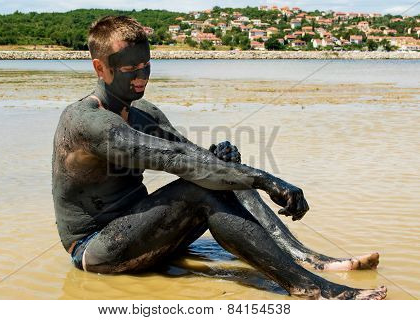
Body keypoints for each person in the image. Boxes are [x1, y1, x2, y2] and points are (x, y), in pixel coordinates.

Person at [52, 15, 386, 299]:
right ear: (100, 67)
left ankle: (311, 259)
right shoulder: (86, 121)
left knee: (226, 173)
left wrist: (221, 158)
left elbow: (189, 154)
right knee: (206, 184)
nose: (141, 77)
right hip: (96, 248)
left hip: (146, 232)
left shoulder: (144, 112)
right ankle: (311, 288)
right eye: (129, 69)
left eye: (146, 65)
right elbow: (176, 161)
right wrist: (269, 181)